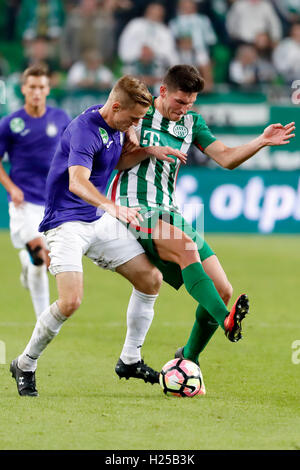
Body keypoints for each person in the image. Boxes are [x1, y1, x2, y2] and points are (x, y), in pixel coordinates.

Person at [107, 64, 295, 393]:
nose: (184, 109)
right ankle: (226, 319)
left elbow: (225, 158)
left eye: (190, 103)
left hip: (170, 211)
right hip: (135, 208)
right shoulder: (139, 113)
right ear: (162, 92)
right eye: (180, 101)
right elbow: (117, 161)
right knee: (186, 250)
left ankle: (188, 357)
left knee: (222, 287)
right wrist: (146, 149)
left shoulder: (192, 123)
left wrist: (261, 141)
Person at [9, 74, 187, 397]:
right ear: (116, 106)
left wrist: (148, 150)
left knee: (151, 279)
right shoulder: (84, 129)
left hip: (97, 219)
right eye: (132, 119)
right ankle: (25, 363)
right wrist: (112, 207)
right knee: (70, 301)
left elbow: (115, 162)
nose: (134, 125)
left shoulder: (115, 124)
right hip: (65, 222)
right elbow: (77, 181)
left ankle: (130, 359)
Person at [0, 64, 71, 319]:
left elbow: (71, 153)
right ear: (23, 89)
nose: (37, 92)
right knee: (43, 253)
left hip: (53, 202)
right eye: (32, 87)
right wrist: (11, 187)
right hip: (24, 202)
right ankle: (44, 319)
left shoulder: (61, 118)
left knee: (41, 262)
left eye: (41, 87)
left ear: (48, 89)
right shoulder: (10, 123)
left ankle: (27, 263)